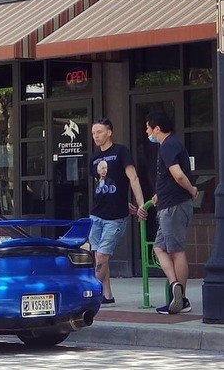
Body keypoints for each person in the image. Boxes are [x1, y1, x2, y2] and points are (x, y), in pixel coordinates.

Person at [145, 111, 198, 315]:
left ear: (157, 128)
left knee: (176, 250)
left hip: (174, 207)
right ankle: (175, 285)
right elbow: (169, 176)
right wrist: (159, 194)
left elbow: (178, 175)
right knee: (159, 247)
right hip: (167, 203)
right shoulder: (171, 145)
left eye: (148, 128)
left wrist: (192, 189)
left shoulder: (167, 146)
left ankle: (182, 298)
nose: (147, 132)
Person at [89, 118, 146, 306]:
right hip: (96, 213)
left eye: (99, 132)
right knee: (97, 255)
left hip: (115, 216)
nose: (95, 136)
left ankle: (91, 292)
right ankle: (107, 295)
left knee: (102, 256)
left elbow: (133, 179)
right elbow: (100, 185)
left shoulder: (121, 152)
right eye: (93, 133)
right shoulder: (94, 158)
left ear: (109, 132)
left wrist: (141, 205)